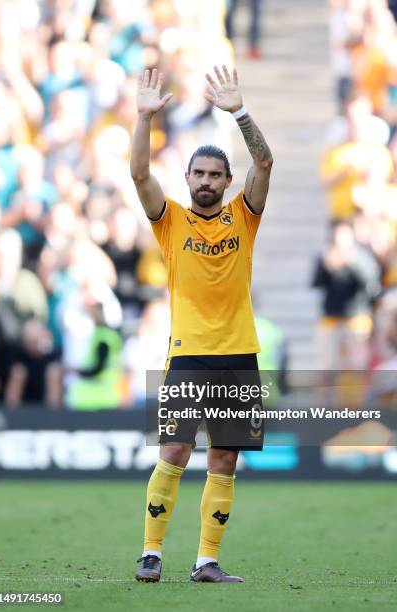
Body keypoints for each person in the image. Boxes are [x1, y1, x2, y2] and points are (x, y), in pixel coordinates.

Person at [130, 66, 273, 583]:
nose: (207, 182)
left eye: (216, 175)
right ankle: (151, 553)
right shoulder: (169, 221)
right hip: (188, 355)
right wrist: (144, 117)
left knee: (226, 457)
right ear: (188, 179)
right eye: (199, 174)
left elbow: (265, 159)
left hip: (239, 355)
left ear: (227, 182)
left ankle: (206, 561)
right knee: (173, 449)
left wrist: (238, 110)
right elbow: (140, 175)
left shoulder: (244, 216)